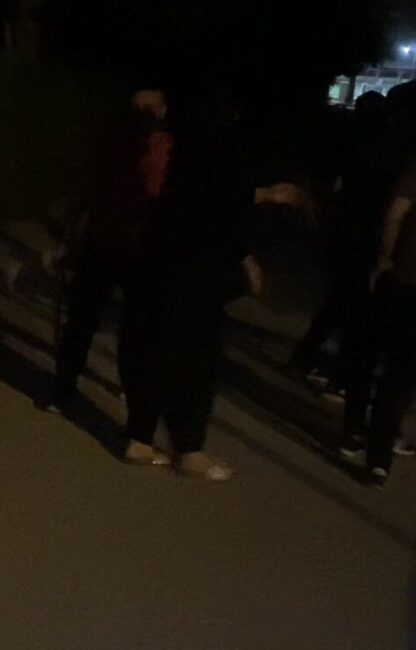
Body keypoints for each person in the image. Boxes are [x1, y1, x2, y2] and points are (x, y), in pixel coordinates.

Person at [117, 87, 311, 480]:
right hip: (197, 273)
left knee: (150, 349)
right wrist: (246, 247)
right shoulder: (221, 153)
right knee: (196, 361)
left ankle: (140, 438)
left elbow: (193, 198)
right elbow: (220, 208)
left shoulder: (170, 148)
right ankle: (190, 449)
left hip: (155, 260)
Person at [39, 85, 172, 414]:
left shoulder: (162, 146)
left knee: (134, 327)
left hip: (139, 246)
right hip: (103, 241)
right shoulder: (115, 142)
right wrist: (69, 240)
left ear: (162, 111)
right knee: (81, 321)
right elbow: (89, 191)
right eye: (138, 108)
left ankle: (133, 393)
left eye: (149, 108)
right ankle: (63, 388)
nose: (142, 115)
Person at [290, 92, 397, 394]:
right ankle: (330, 366)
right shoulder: (383, 150)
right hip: (363, 234)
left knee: (340, 299)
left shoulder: (350, 143)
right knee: (352, 303)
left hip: (345, 231)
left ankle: (309, 355)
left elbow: (326, 180)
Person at [341, 151, 416, 487]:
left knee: (371, 356)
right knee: (402, 375)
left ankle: (358, 435)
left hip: (404, 278)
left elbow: (395, 212)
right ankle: (379, 453)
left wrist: (386, 256)